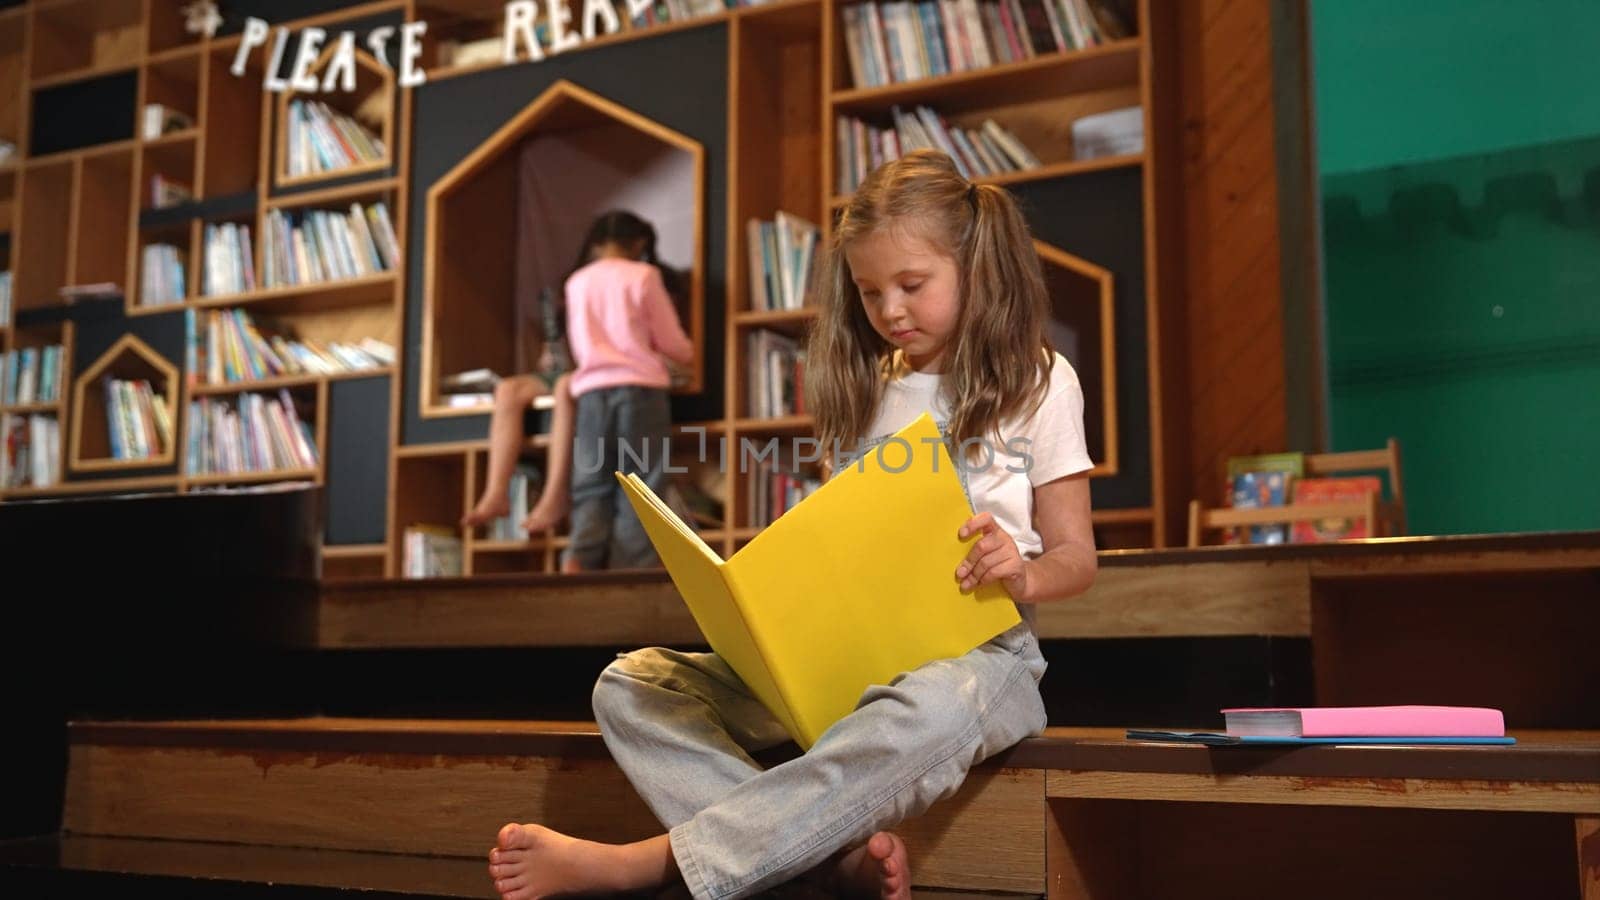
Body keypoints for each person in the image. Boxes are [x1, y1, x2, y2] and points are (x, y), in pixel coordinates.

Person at [485, 150, 1098, 899]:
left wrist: (1024, 571)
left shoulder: (1039, 379)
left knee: (923, 710)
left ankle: (653, 863)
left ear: (977, 267)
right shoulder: (869, 390)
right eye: (870, 293)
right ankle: (819, 864)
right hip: (852, 652)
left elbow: (1078, 556)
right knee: (631, 687)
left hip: (987, 657)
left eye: (912, 285)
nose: (891, 311)